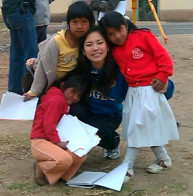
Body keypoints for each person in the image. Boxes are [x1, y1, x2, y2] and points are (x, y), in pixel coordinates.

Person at [99, 11, 179, 182]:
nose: (117, 36)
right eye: (111, 34)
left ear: (125, 25)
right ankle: (164, 159)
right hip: (133, 93)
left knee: (137, 128)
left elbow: (164, 59)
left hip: (149, 90)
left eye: (119, 30)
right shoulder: (113, 50)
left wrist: (163, 77)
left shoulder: (143, 36)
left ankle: (127, 167)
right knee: (143, 127)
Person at [70, 25, 128, 160]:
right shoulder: (81, 68)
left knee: (97, 131)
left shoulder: (120, 69)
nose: (95, 48)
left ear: (108, 46)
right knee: (71, 113)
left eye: (100, 43)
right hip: (88, 111)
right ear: (83, 51)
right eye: (89, 44)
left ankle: (112, 143)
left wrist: (165, 86)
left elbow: (143, 86)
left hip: (110, 114)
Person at [23, 0, 95, 101]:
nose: (79, 26)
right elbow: (43, 68)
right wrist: (33, 92)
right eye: (75, 22)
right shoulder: (56, 42)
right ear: (68, 23)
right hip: (52, 83)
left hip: (71, 83)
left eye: (84, 22)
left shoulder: (88, 40)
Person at [30, 71, 89, 186]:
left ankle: (62, 176)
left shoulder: (61, 99)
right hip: (40, 140)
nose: (75, 98)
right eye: (73, 91)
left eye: (79, 95)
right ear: (63, 86)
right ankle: (41, 167)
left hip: (53, 140)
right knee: (65, 159)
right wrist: (57, 143)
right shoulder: (56, 100)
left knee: (81, 153)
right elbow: (48, 125)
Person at [1, 0, 39, 95]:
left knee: (17, 55)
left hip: (10, 10)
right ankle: (30, 93)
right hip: (22, 9)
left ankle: (14, 94)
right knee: (31, 58)